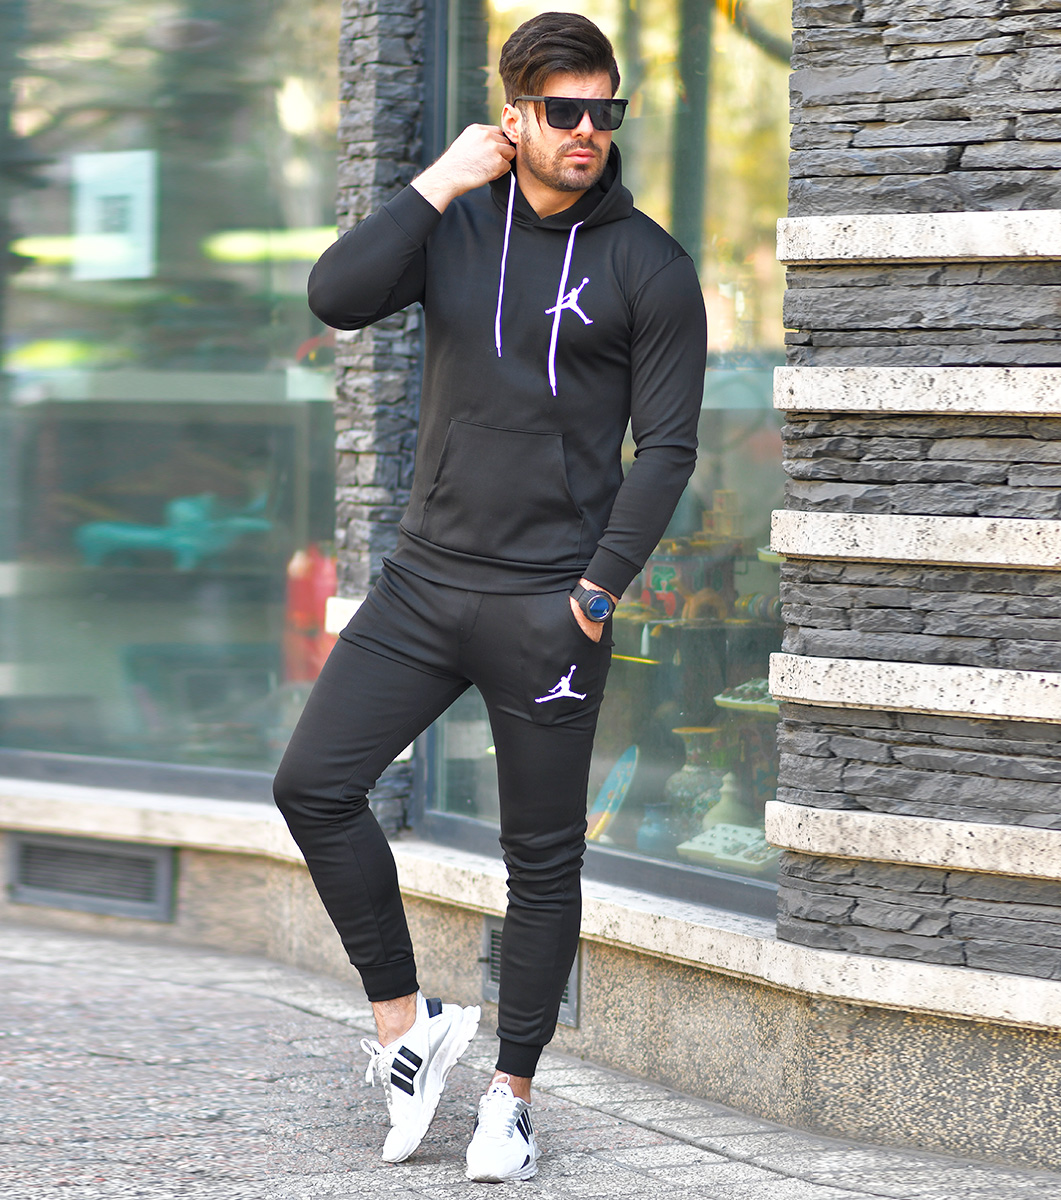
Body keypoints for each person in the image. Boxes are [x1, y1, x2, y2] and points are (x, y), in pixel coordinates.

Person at [273, 10, 706, 1184]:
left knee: (542, 861)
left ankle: (510, 1099)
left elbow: (667, 448)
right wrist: (439, 180)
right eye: (563, 111)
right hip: (424, 585)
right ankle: (407, 1028)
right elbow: (336, 295)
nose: (587, 132)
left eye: (604, 112)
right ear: (515, 116)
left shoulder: (651, 266)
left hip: (548, 607)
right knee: (313, 785)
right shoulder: (458, 221)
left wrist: (599, 589)